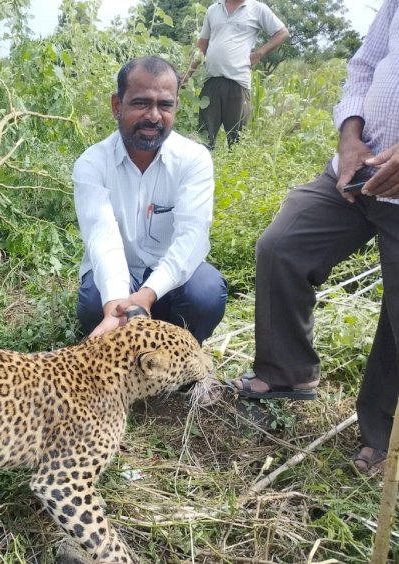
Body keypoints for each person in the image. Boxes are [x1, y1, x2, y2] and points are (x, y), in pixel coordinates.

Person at [228, 0, 399, 476]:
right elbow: (364, 65)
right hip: (357, 167)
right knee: (282, 247)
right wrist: (349, 133)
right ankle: (287, 374)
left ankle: (383, 436)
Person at [74, 55, 227, 345]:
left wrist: (146, 295)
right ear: (117, 106)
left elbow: (191, 238)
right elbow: (102, 238)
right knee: (95, 302)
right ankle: (125, 347)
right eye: (141, 103)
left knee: (205, 293)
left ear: (176, 107)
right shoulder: (92, 163)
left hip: (172, 283)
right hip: (120, 278)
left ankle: (180, 357)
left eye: (165, 105)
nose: (154, 116)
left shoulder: (193, 159)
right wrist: (117, 308)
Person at [183, 0, 289, 149]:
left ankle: (236, 170)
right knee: (204, 138)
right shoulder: (214, 9)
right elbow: (202, 45)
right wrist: (188, 74)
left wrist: (259, 53)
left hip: (238, 83)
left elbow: (282, 32)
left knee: (237, 141)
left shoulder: (257, 9)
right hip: (211, 81)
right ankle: (205, 170)